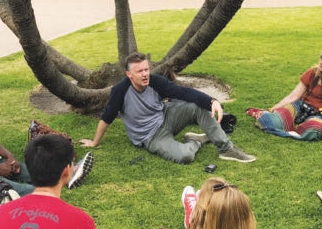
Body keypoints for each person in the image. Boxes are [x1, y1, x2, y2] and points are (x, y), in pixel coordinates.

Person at [80, 52, 256, 164]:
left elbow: (183, 92)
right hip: (150, 136)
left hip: (166, 116)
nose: (145, 74)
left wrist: (212, 101)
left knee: (197, 106)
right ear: (129, 74)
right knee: (185, 157)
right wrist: (94, 142)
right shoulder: (120, 90)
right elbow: (107, 117)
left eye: (146, 69)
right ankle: (196, 141)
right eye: (139, 71)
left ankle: (226, 149)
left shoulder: (155, 81)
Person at [245, 44, 322, 141]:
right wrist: (272, 109)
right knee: (267, 120)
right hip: (301, 106)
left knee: (315, 131)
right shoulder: (312, 73)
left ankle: (293, 128)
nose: (321, 62)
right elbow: (293, 96)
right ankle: (264, 115)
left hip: (321, 114)